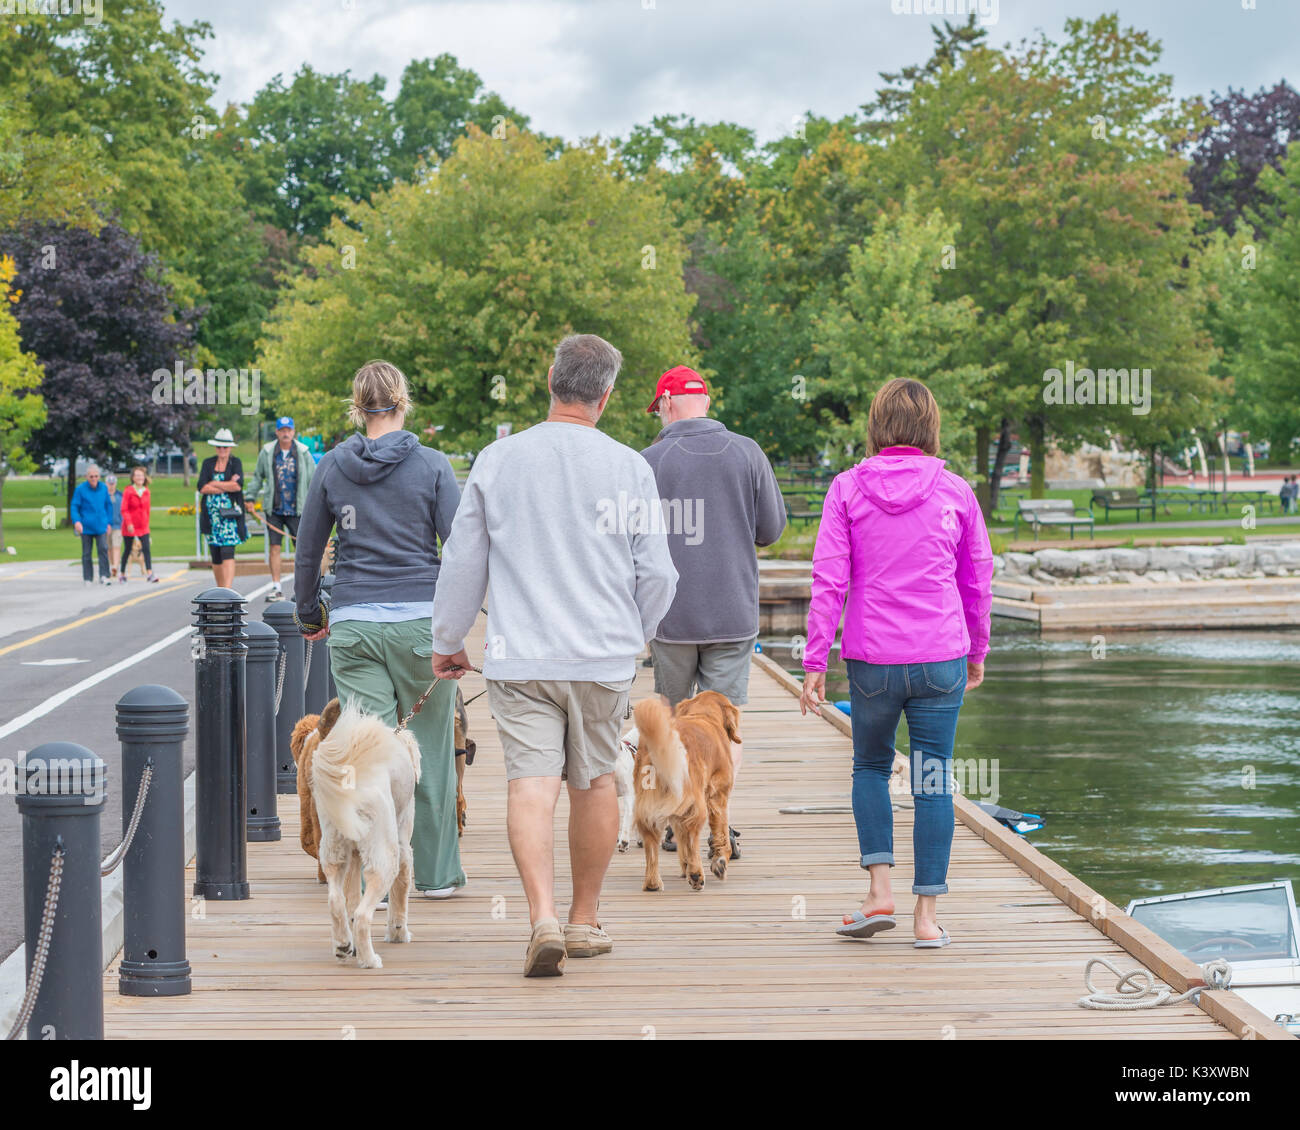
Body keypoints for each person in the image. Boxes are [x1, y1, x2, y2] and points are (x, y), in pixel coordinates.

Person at [431, 334, 677, 978]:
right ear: (606, 394)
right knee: (595, 780)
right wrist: (635, 633)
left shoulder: (498, 459)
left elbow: (462, 562)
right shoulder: (630, 468)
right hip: (600, 656)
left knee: (530, 785)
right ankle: (584, 918)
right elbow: (658, 575)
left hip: (521, 655)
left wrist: (448, 639)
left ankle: (539, 916)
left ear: (550, 380)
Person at [800, 378, 993, 948]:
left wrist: (815, 661)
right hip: (940, 655)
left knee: (870, 767)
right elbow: (977, 581)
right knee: (934, 780)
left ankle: (878, 890)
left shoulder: (846, 489)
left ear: (877, 426)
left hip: (872, 658)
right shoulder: (956, 491)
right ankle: (926, 918)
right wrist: (976, 651)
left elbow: (828, 579)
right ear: (931, 427)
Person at [292, 360, 466, 900]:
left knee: (373, 756)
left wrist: (309, 614)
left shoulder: (331, 468)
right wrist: (455, 633)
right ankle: (434, 877)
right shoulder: (434, 467)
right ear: (403, 401)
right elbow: (459, 552)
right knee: (429, 751)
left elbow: (307, 549)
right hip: (420, 625)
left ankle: (379, 874)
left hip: (354, 625)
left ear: (357, 405)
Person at [640, 365, 786, 858]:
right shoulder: (748, 453)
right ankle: (719, 819)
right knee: (727, 725)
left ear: (666, 403)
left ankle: (669, 815)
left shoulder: (650, 461)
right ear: (705, 400)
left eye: (658, 407)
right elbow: (771, 529)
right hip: (731, 611)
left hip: (670, 614)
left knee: (667, 719)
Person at [246, 416, 317, 601]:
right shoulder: (268, 452)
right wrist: (250, 497)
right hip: (275, 508)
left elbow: (313, 480)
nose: (286, 433)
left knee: (301, 549)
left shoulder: (304, 453)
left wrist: (318, 502)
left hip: (297, 508)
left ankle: (303, 588)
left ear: (294, 432)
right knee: (274, 547)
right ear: (277, 432)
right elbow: (257, 477)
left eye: (289, 430)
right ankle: (276, 587)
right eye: (282, 430)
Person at [197, 428, 249, 589]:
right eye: (219, 447)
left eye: (225, 447)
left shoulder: (235, 463)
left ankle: (227, 589)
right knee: (216, 555)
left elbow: (237, 486)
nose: (222, 450)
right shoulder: (208, 463)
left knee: (228, 551)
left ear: (230, 448)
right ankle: (220, 589)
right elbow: (202, 487)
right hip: (212, 517)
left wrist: (214, 483)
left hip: (229, 517)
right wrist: (225, 486)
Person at [70, 463, 113, 586]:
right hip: (86, 527)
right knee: (87, 553)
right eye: (91, 477)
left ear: (99, 476)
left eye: (96, 476)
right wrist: (76, 521)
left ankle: (104, 575)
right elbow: (74, 506)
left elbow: (108, 506)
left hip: (101, 526)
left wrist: (109, 523)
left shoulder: (104, 488)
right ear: (86, 477)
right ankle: (88, 577)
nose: (94, 479)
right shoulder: (80, 489)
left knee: (103, 550)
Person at [120, 465, 160, 583]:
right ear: (133, 477)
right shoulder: (128, 491)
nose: (139, 478)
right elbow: (124, 509)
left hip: (143, 526)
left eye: (141, 475)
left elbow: (147, 510)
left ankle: (149, 573)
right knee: (127, 549)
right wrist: (129, 523)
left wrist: (146, 524)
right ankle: (122, 573)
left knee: (146, 549)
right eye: (137, 475)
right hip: (130, 527)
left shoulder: (146, 491)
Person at [105, 474, 124, 581]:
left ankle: (115, 566)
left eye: (113, 484)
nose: (111, 486)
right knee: (109, 548)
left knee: (117, 546)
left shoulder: (120, 496)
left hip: (118, 525)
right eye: (109, 484)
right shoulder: (103, 496)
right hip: (106, 526)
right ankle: (111, 564)